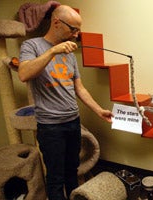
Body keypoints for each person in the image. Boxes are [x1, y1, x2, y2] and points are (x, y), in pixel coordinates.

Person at [18, 5, 114, 200]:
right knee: (55, 178)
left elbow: (79, 88)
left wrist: (98, 110)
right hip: (51, 127)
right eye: (73, 29)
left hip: (73, 122)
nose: (76, 35)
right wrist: (53, 51)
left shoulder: (69, 53)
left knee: (73, 172)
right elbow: (24, 74)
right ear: (56, 23)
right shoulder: (32, 46)